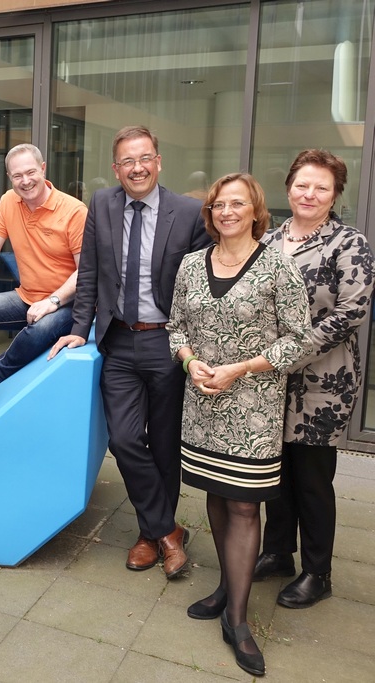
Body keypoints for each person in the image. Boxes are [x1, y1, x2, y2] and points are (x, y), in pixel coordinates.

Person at [50, 125, 211, 578]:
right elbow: (89, 273)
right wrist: (80, 328)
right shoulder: (101, 205)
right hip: (118, 340)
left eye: (145, 158)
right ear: (115, 168)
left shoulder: (189, 212)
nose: (137, 168)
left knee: (163, 444)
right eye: (127, 161)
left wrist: (193, 345)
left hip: (167, 342)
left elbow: (199, 287)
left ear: (158, 161)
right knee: (122, 439)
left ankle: (148, 533)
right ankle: (167, 531)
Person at [169, 173, 311, 676]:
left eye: (237, 204)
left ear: (256, 211)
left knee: (244, 506)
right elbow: (176, 328)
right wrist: (189, 362)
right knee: (215, 496)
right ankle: (226, 587)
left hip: (253, 410)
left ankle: (238, 618)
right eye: (219, 205)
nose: (227, 211)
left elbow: (300, 340)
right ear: (209, 214)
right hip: (203, 407)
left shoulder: (278, 267)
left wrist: (241, 368)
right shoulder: (190, 265)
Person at [254, 150, 375, 608]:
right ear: (289, 187)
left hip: (324, 380)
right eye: (303, 185)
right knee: (275, 472)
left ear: (335, 194)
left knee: (312, 480)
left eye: (321, 187)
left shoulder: (349, 243)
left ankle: (317, 572)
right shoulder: (268, 238)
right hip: (269, 378)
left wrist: (284, 353)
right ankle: (277, 552)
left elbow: (351, 312)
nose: (310, 194)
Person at [0, 143, 87, 386]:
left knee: (39, 331)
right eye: (17, 175)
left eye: (31, 172)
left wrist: (51, 301)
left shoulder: (74, 211)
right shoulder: (8, 201)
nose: (25, 181)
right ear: (9, 177)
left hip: (66, 303)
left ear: (43, 169)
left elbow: (84, 271)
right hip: (26, 297)